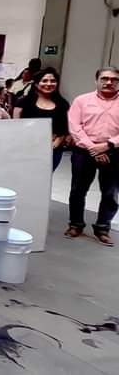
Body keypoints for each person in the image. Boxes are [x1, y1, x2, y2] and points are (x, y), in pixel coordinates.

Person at [65, 67, 119, 246]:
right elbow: (74, 126)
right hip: (84, 151)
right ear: (96, 80)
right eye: (105, 78)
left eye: (114, 79)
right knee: (78, 190)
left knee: (110, 193)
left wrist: (108, 145)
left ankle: (103, 228)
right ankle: (76, 224)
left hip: (114, 151)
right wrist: (92, 148)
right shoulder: (81, 100)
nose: (109, 82)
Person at [15, 68, 70, 170]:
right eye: (44, 81)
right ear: (36, 84)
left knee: (44, 180)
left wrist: (53, 146)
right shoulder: (23, 102)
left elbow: (64, 129)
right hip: (26, 148)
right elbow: (16, 126)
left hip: (53, 150)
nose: (49, 84)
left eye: (53, 81)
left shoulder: (63, 104)